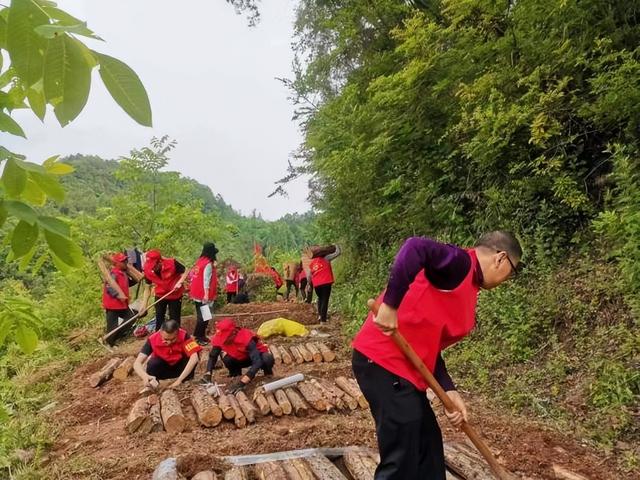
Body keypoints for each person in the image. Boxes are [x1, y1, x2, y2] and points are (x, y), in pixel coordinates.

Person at [351, 231, 523, 480]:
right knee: (403, 457)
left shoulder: (469, 286)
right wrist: (390, 305)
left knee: (428, 448)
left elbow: (430, 345)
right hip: (383, 361)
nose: (508, 278)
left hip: (407, 369)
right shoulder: (459, 263)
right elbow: (415, 247)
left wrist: (449, 390)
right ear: (500, 259)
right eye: (512, 271)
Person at [201, 318, 274, 393]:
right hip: (239, 358)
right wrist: (208, 373)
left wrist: (243, 382)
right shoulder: (219, 337)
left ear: (233, 332)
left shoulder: (245, 337)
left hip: (257, 357)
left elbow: (257, 362)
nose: (224, 341)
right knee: (227, 359)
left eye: (226, 338)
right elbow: (213, 355)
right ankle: (235, 376)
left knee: (267, 358)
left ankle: (267, 376)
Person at [133, 319, 202, 389]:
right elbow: (137, 363)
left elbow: (194, 358)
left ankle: (186, 380)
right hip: (163, 368)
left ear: (178, 333)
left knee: (193, 353)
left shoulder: (184, 335)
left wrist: (179, 380)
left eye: (172, 339)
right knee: (152, 363)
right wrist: (144, 376)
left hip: (180, 367)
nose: (169, 342)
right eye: (165, 339)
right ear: (160, 332)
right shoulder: (152, 339)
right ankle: (153, 384)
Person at [101, 252, 140, 346]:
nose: (126, 262)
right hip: (113, 304)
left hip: (122, 304)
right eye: (123, 261)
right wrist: (119, 296)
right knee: (112, 326)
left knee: (131, 317)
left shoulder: (123, 273)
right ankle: (110, 343)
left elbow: (129, 283)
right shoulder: (113, 273)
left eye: (126, 260)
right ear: (117, 263)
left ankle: (116, 337)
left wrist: (134, 276)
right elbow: (110, 287)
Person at [142, 249, 186, 331]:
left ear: (160, 261)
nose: (152, 268)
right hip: (160, 295)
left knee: (175, 320)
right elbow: (147, 288)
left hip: (175, 295)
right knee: (159, 318)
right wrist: (144, 306)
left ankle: (177, 338)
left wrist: (179, 282)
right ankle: (159, 338)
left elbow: (185, 271)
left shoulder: (172, 263)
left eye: (154, 265)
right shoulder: (147, 269)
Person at [190, 242, 219, 346]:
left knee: (205, 316)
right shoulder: (208, 264)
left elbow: (193, 275)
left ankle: (201, 335)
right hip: (204, 294)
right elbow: (206, 280)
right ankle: (197, 336)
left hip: (196, 292)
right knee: (203, 317)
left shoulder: (200, 261)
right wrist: (206, 295)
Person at [309, 244, 341, 322]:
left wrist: (310, 285)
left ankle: (320, 315)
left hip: (316, 285)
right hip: (326, 283)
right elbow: (338, 252)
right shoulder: (326, 258)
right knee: (325, 300)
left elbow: (310, 275)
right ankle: (323, 320)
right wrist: (337, 245)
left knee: (320, 299)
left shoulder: (312, 263)